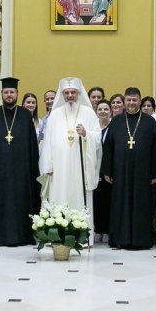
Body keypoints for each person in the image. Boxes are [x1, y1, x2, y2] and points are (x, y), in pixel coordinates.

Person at [39, 77, 102, 236]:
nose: (70, 96)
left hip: (81, 169)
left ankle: (81, 236)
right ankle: (58, 236)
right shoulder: (55, 115)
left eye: (73, 92)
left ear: (79, 94)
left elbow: (97, 138)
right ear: (62, 95)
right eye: (66, 93)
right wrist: (48, 166)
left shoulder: (89, 113)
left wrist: (86, 134)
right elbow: (47, 142)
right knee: (58, 199)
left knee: (79, 200)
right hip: (58, 169)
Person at [0, 76, 39, 247]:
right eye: (6, 92)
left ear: (17, 93)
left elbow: (32, 145)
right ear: (1, 94)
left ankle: (22, 236)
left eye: (11, 92)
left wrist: (33, 169)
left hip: (21, 171)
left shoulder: (25, 115)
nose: (9, 95)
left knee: (20, 203)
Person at [101, 87, 156, 250]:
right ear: (125, 102)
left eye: (135, 100)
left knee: (141, 204)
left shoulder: (149, 121)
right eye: (129, 100)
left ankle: (140, 240)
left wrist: (155, 172)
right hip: (120, 171)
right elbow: (108, 147)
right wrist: (107, 170)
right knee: (120, 203)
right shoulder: (117, 121)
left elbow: (155, 148)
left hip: (143, 172)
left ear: (139, 101)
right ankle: (120, 238)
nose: (132, 103)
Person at [93, 100, 113, 245]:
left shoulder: (113, 128)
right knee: (96, 202)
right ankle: (97, 229)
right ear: (96, 111)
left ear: (110, 111)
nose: (103, 112)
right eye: (100, 109)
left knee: (107, 201)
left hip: (107, 171)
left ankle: (106, 230)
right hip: (93, 170)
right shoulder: (92, 128)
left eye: (106, 109)